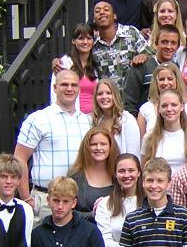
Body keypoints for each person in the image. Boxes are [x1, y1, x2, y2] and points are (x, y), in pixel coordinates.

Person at [14, 69, 92, 221]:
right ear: (55, 88)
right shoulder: (38, 119)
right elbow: (19, 158)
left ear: (79, 89)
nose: (69, 88)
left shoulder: (88, 122)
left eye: (74, 85)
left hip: (79, 201)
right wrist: (26, 199)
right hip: (46, 201)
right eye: (64, 84)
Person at [89, 0, 153, 92]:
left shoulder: (131, 33)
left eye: (106, 10)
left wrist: (144, 56)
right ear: (94, 19)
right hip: (107, 97)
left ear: (114, 16)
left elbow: (152, 56)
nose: (102, 12)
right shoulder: (92, 44)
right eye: (97, 11)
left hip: (132, 96)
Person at [123, 23, 181, 118]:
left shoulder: (178, 68)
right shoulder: (141, 66)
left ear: (178, 46)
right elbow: (129, 102)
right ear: (156, 43)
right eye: (164, 42)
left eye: (173, 43)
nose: (168, 46)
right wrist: (136, 123)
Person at [137, 61, 187, 136]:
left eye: (170, 79)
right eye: (161, 79)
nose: (166, 83)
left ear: (177, 80)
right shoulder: (145, 109)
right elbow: (141, 140)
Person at [50, 23, 97, 114]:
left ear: (93, 41)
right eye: (81, 38)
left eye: (88, 38)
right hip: (72, 116)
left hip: (94, 117)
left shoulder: (95, 65)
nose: (85, 42)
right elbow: (54, 95)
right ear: (73, 41)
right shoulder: (64, 64)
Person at [141, 90, 187, 175]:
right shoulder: (149, 137)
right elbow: (144, 170)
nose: (169, 109)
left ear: (182, 107)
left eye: (174, 105)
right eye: (164, 106)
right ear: (159, 109)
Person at [68, 127, 117, 214]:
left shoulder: (119, 174)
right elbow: (68, 211)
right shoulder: (75, 176)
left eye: (103, 144)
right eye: (93, 144)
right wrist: (93, 215)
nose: (98, 148)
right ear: (86, 147)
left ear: (111, 146)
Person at [91, 78, 140, 157]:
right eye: (100, 94)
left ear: (115, 95)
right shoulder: (95, 121)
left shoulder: (127, 120)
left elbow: (133, 154)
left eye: (109, 93)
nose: (104, 96)